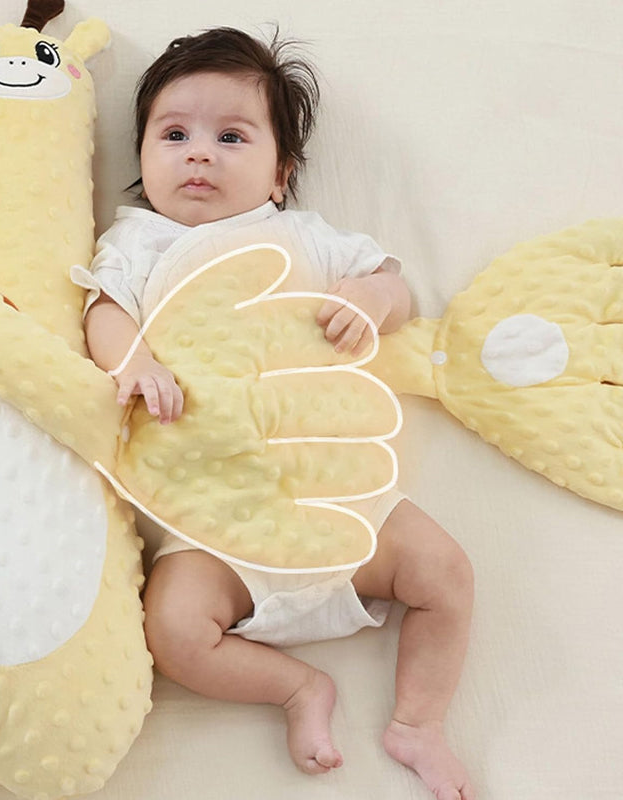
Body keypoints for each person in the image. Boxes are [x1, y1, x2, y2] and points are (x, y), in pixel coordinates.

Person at [73, 27, 476, 800]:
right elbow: (104, 311)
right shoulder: (138, 242)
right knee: (172, 629)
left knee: (446, 572)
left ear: (281, 173)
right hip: (213, 524)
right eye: (174, 135)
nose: (199, 154)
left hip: (337, 499)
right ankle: (295, 688)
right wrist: (134, 362)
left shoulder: (303, 237)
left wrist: (372, 298)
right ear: (143, 155)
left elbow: (395, 285)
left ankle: (419, 722)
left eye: (231, 137)